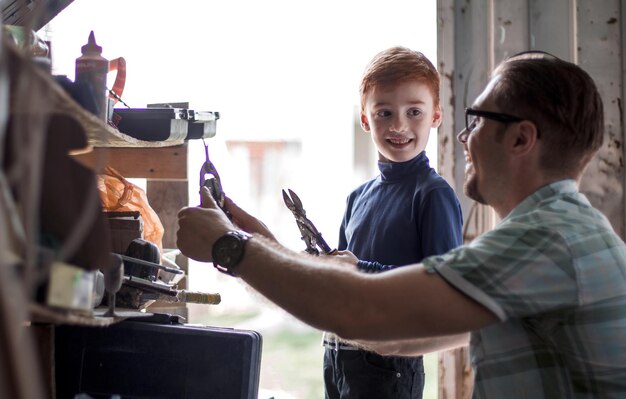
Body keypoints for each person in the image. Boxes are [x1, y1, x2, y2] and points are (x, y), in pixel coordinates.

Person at [177, 51, 626, 398]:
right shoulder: (561, 231)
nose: (464, 138)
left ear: (521, 138)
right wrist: (258, 239)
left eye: (477, 121)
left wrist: (229, 247)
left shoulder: (542, 241)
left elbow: (358, 310)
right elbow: (396, 338)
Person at [320, 46, 462, 399]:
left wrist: (362, 269)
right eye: (384, 113)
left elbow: (442, 289)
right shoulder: (356, 198)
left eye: (414, 111)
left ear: (436, 116)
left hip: (390, 362)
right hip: (338, 352)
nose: (399, 125)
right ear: (366, 120)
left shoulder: (433, 194)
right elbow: (343, 279)